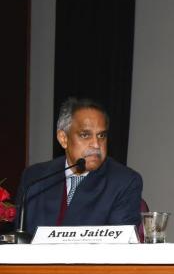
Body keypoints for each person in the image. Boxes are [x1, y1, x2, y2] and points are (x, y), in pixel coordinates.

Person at [15, 98, 142, 236]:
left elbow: (119, 247)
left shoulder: (124, 181)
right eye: (85, 135)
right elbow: (19, 237)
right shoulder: (34, 178)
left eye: (101, 135)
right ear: (63, 138)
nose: (96, 144)